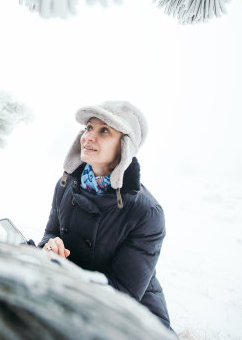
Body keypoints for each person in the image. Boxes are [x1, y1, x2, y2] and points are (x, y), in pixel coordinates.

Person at [39, 100, 172, 329]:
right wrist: (48, 248)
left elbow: (122, 295)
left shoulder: (146, 213)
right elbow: (51, 232)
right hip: (74, 306)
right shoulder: (66, 185)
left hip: (132, 323)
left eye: (104, 131)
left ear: (125, 146)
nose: (89, 136)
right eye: (89, 127)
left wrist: (64, 272)